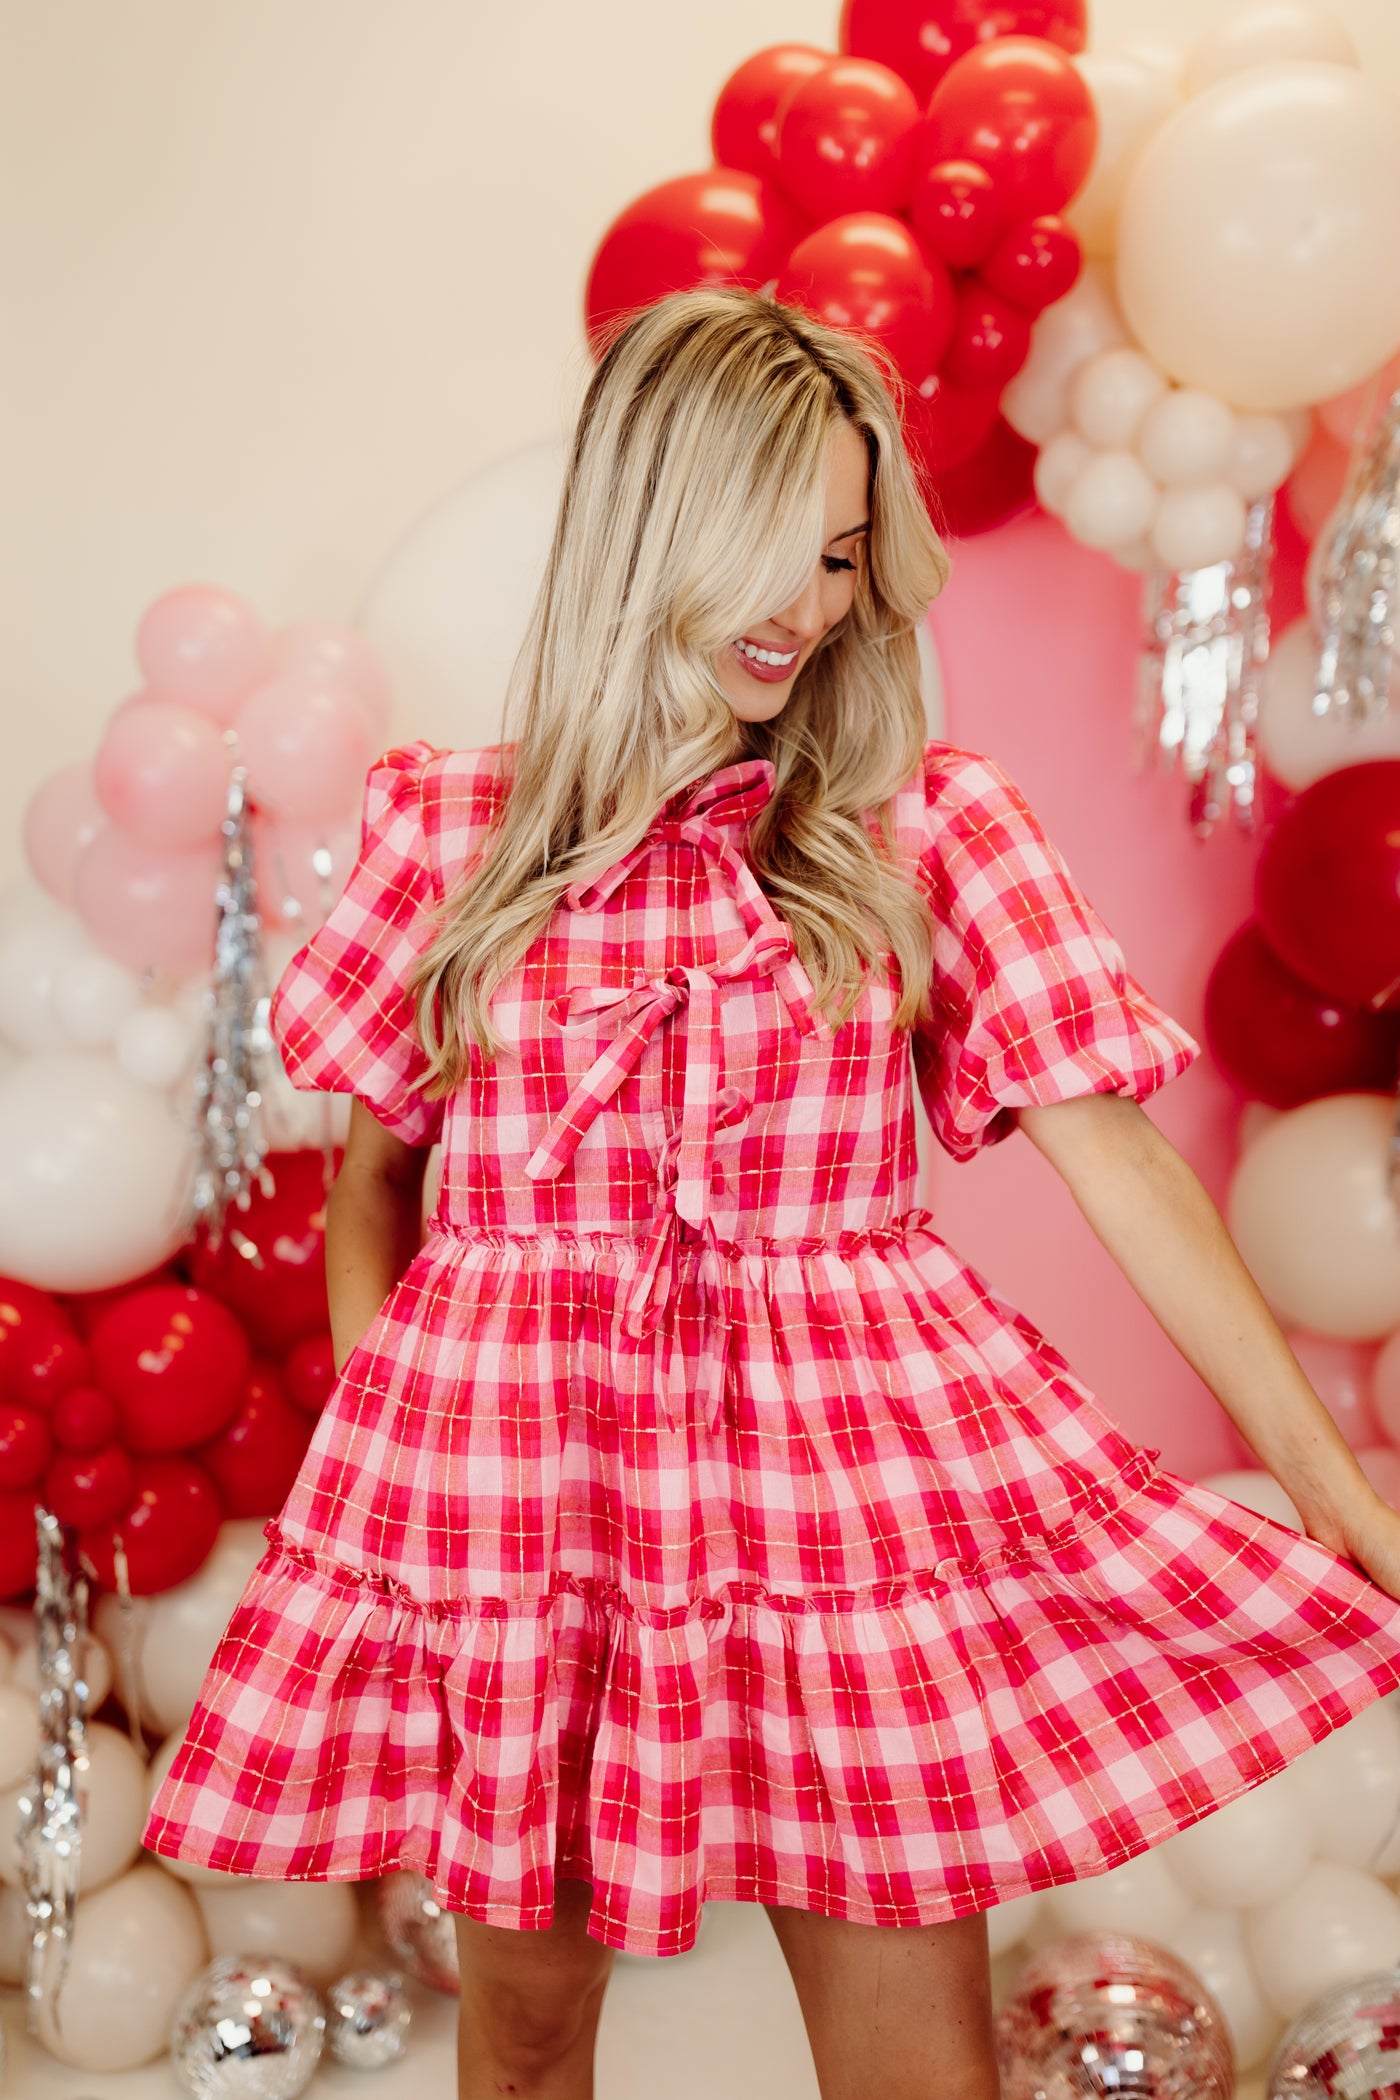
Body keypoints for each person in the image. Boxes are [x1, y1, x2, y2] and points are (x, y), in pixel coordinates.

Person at [144, 286, 1400, 2100]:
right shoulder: (452, 833)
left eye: (841, 554)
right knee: (528, 2033)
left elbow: (1117, 1163)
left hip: (842, 1504)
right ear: (654, 523)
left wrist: (1339, 1497)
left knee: (916, 2063)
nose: (813, 609)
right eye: (775, 547)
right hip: (526, 1503)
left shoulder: (925, 833)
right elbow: (379, 1188)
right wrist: (399, 1482)